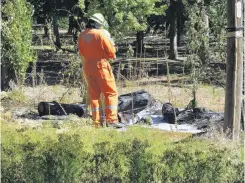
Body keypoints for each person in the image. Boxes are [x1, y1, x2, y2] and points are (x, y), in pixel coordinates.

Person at [78, 13, 123, 128]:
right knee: (110, 93)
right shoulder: (101, 34)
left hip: (88, 67)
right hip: (101, 67)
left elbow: (82, 52)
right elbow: (112, 53)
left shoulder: (82, 35)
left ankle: (96, 122)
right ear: (98, 23)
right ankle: (112, 121)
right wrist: (111, 43)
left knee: (94, 95)